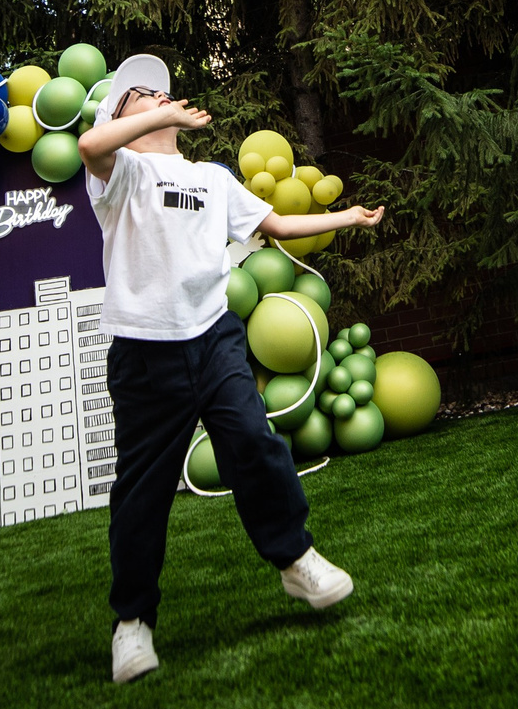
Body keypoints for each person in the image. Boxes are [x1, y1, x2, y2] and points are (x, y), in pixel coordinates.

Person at [78, 54, 387, 684]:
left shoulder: (214, 179)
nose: (158, 99)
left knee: (252, 440)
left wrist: (347, 217)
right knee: (141, 490)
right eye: (139, 96)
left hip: (213, 336)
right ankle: (131, 624)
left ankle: (296, 559)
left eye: (160, 94)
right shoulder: (122, 173)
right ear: (122, 116)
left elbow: (274, 225)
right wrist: (146, 119)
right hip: (144, 350)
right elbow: (87, 143)